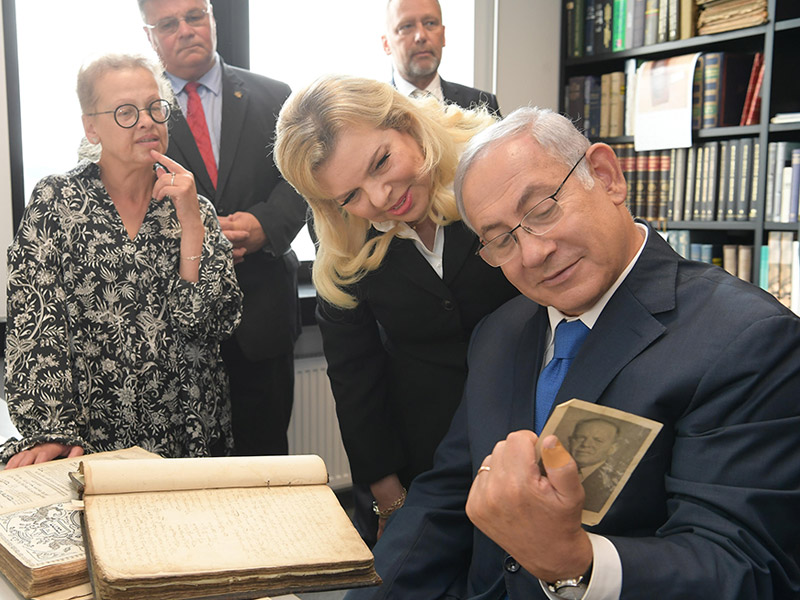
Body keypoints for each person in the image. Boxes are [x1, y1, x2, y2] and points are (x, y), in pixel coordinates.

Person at [346, 106, 800, 599]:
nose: (533, 253)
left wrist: (575, 563)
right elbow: (445, 498)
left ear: (606, 177)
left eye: (541, 210)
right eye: (500, 240)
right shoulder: (499, 332)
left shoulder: (747, 339)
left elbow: (749, 568)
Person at [273, 75, 519, 546]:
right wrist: (389, 496)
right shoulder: (344, 236)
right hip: (425, 454)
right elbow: (354, 373)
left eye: (381, 162)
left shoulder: (493, 161)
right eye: (351, 196)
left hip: (533, 427)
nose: (381, 197)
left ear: (407, 123)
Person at [1, 53, 242, 468]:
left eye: (154, 108)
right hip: (92, 437)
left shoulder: (192, 206)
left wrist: (192, 227)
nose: (147, 122)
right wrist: (52, 428)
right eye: (126, 113)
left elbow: (208, 325)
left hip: (188, 431)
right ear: (91, 127)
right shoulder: (56, 202)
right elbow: (36, 323)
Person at [138, 0, 308, 456]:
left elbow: (303, 180)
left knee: (265, 463)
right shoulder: (141, 113)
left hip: (262, 315)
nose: (186, 30)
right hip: (180, 323)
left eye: (195, 16)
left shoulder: (274, 95)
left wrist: (264, 225)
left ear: (213, 19)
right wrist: (198, 236)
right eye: (169, 24)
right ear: (149, 36)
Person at [383, 0, 500, 114]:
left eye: (430, 23)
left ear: (443, 36)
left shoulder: (483, 105)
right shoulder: (370, 113)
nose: (421, 36)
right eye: (407, 26)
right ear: (386, 44)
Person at [567, 418, 621, 513]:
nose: (586, 444)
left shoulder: (614, 482)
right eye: (580, 437)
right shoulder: (547, 469)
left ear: (612, 448)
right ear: (570, 441)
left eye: (598, 440)